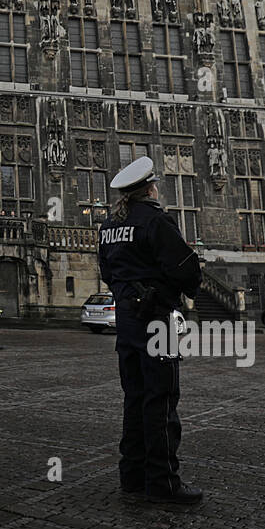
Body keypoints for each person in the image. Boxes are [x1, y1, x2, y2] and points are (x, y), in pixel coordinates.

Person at [98, 156, 204, 506]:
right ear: (150, 188)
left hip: (127, 321)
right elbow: (188, 272)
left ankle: (132, 474)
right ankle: (162, 480)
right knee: (161, 398)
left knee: (135, 397)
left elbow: (108, 272)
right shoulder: (156, 221)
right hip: (158, 319)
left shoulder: (108, 227)